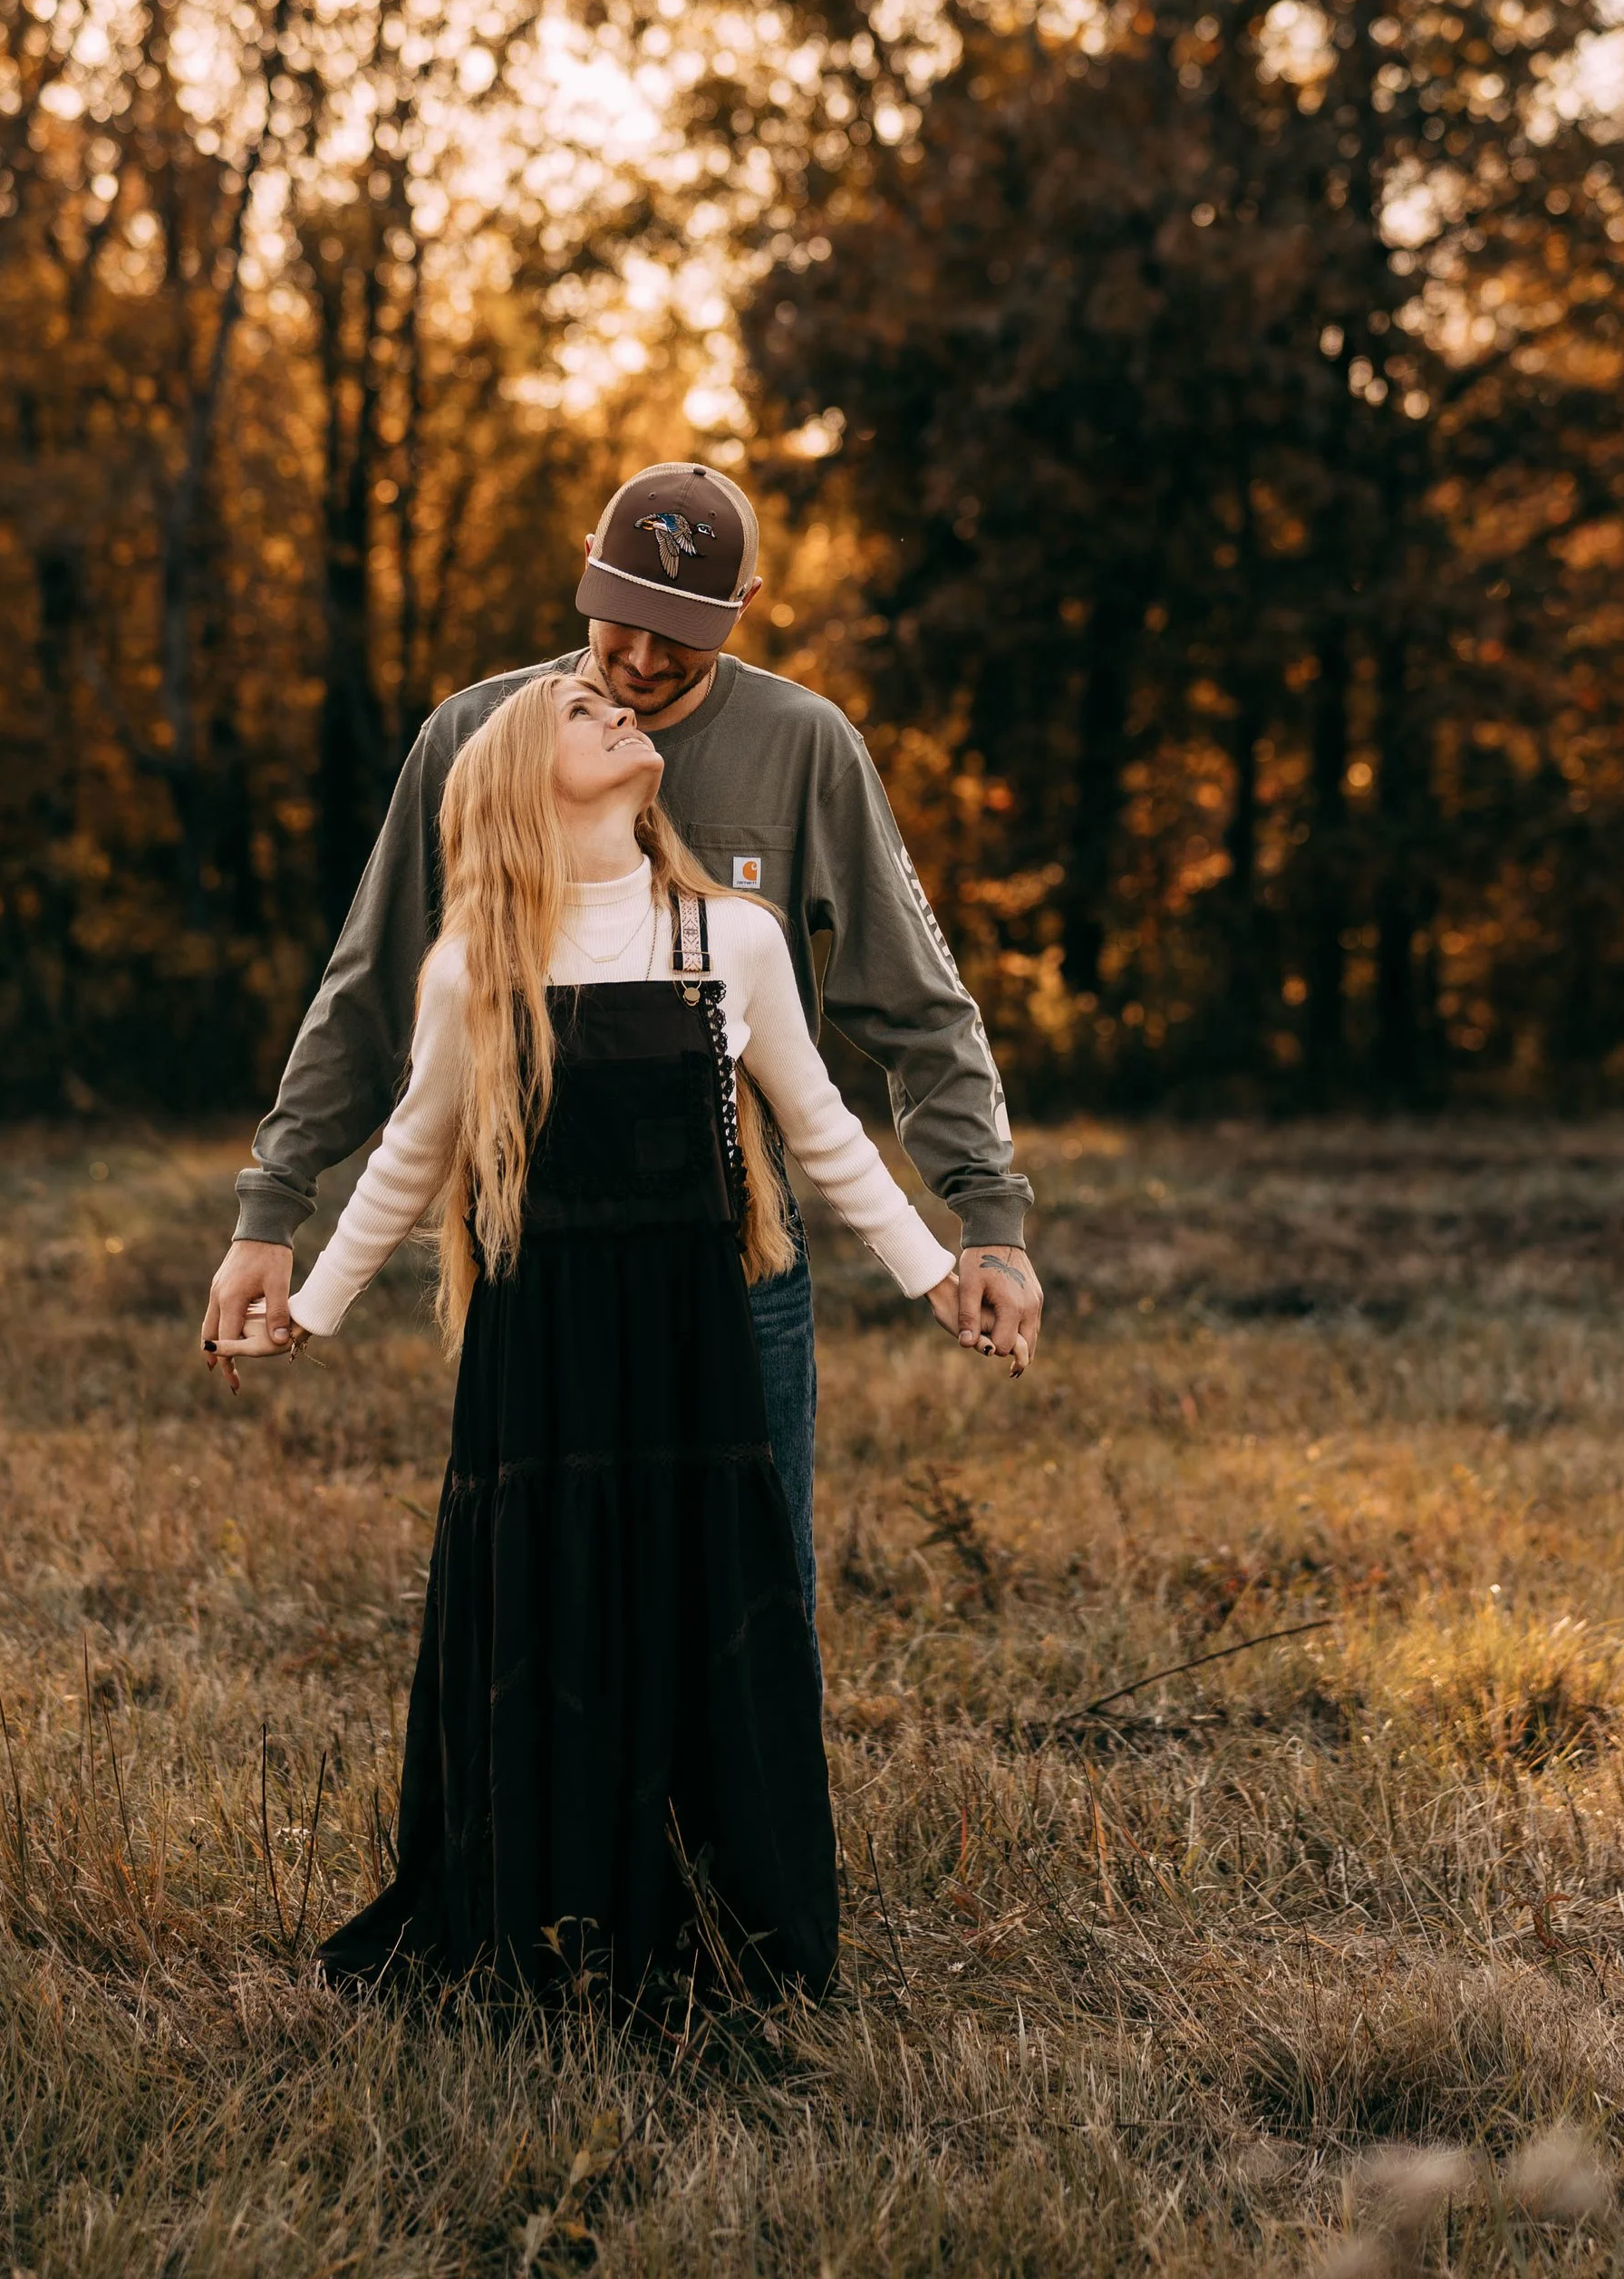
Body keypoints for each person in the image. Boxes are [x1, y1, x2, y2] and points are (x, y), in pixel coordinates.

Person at [202, 460, 1040, 1621]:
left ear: (743, 606)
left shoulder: (803, 746)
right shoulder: (480, 737)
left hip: (740, 1252)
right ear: (586, 570)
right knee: (556, 1590)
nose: (642, 664)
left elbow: (916, 1009)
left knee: (748, 1590)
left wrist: (983, 1227)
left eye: (681, 636)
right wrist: (272, 1208)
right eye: (623, 623)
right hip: (539, 1257)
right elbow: (371, 991)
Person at [276, 673, 991, 1996]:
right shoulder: (471, 964)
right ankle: (551, 1932)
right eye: (582, 715)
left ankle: (716, 1930)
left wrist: (938, 1270)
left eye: (620, 710)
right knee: (550, 1619)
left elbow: (825, 1127)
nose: (617, 712)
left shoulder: (735, 937)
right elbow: (408, 1155)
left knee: (700, 1605)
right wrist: (308, 1304)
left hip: (691, 1343)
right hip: (534, 1356)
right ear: (517, 784)